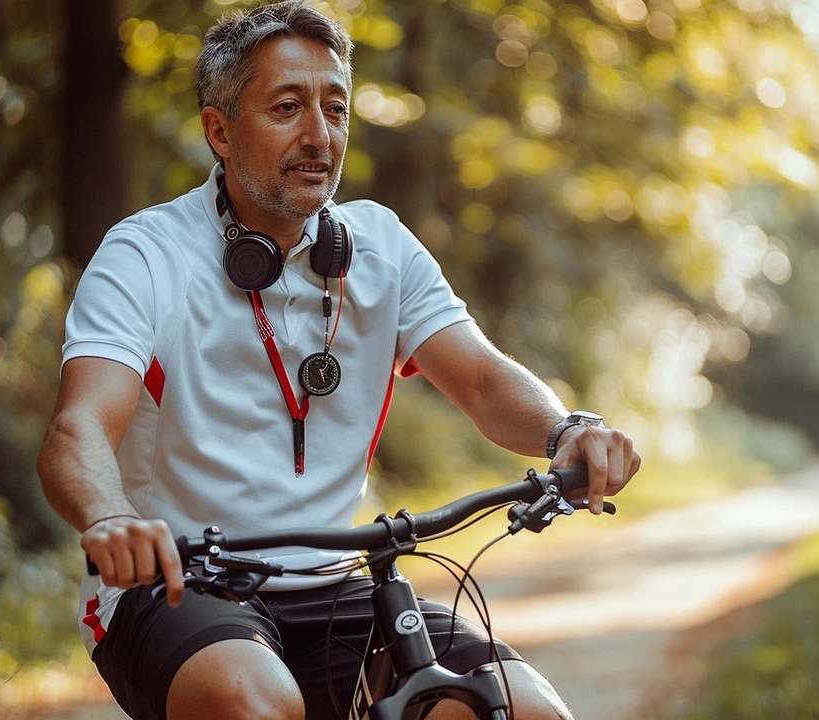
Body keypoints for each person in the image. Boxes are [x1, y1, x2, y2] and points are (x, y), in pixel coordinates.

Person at [36, 3, 640, 719]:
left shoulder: (380, 247)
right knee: (257, 704)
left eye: (335, 108)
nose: (319, 135)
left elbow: (481, 379)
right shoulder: (146, 255)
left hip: (338, 584)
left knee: (523, 710)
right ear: (219, 131)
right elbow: (77, 429)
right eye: (287, 107)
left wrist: (567, 429)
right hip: (177, 582)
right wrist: (108, 516)